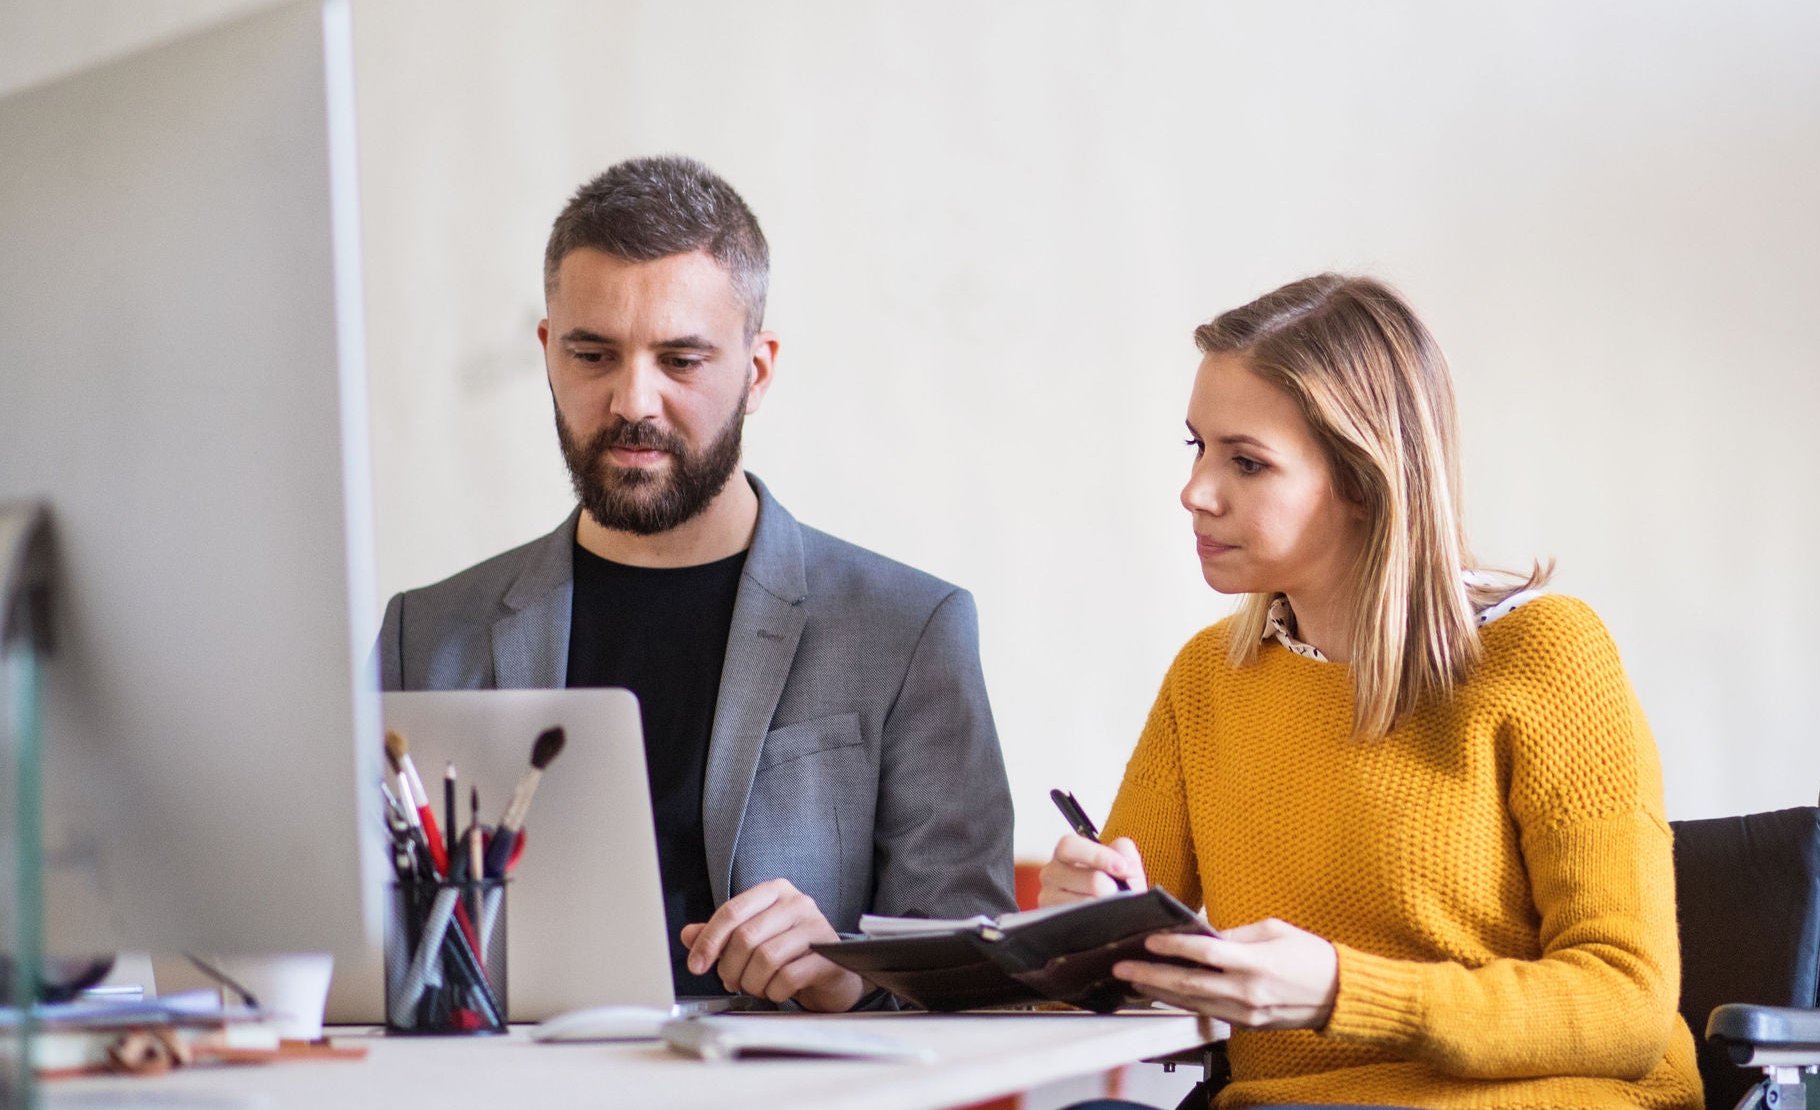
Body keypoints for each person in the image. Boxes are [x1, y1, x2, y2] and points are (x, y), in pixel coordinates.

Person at [1042, 275, 1705, 1110]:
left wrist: (1339, 990)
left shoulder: (1547, 654)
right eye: (1196, 447)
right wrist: (1082, 930)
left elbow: (1628, 1005)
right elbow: (1132, 965)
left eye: (1245, 460)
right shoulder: (1208, 679)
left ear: (1363, 479)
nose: (1196, 491)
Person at [379, 155, 1014, 1010]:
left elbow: (980, 971)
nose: (632, 400)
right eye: (593, 353)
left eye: (681, 360)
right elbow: (356, 929)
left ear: (757, 370)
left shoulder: (909, 627)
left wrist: (846, 973)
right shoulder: (428, 631)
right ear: (548, 353)